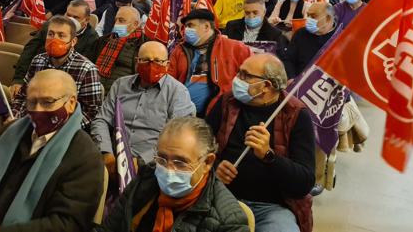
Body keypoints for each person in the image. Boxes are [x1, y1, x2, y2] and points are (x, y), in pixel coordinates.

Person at [0, 69, 104, 232]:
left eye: (47, 102)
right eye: (32, 102)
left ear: (71, 103)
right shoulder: (9, 132)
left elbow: (68, 223)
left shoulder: (85, 156)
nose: (38, 110)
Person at [206, 54, 315, 232]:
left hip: (272, 207)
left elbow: (304, 183)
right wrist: (215, 168)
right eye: (239, 72)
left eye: (245, 75)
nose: (237, 79)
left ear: (266, 86)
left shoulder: (295, 115)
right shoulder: (228, 102)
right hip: (223, 197)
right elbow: (200, 148)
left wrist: (269, 156)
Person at [96, 117, 249, 232]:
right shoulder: (145, 178)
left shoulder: (229, 220)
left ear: (207, 162)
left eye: (180, 162)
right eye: (162, 159)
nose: (168, 170)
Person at [92, 41, 195, 169]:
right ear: (137, 62)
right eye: (145, 60)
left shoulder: (177, 92)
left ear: (167, 65)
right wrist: (105, 152)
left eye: (158, 61)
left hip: (151, 166)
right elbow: (101, 120)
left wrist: (141, 162)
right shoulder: (120, 85)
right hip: (112, 159)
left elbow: (176, 137)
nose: (151, 65)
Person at [11, 15, 103, 125]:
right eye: (51, 34)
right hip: (31, 123)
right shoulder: (38, 60)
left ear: (73, 42)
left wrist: (64, 131)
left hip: (64, 128)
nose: (54, 39)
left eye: (61, 35)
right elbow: (22, 96)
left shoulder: (87, 69)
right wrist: (15, 120)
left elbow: (91, 112)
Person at [168, 9, 251, 117]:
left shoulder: (236, 49)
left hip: (222, 114)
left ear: (207, 27)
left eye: (190, 25)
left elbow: (253, 76)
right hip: (183, 113)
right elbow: (169, 81)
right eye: (185, 27)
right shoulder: (179, 50)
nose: (186, 30)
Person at [11, 0, 99, 95]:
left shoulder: (92, 39)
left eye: (76, 17)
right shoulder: (51, 26)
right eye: (68, 15)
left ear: (86, 20)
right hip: (37, 76)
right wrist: (18, 79)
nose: (70, 19)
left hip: (64, 86)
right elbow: (29, 51)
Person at [93, 6, 146, 92]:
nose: (116, 24)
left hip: (124, 93)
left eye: (121, 20)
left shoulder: (143, 45)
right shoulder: (103, 40)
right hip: (96, 89)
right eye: (116, 20)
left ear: (135, 24)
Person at [282, 2, 336, 79]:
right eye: (308, 15)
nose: (308, 19)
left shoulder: (339, 39)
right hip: (297, 82)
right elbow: (288, 59)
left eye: (313, 16)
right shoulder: (300, 33)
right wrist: (291, 78)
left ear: (328, 19)